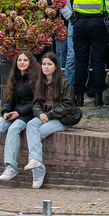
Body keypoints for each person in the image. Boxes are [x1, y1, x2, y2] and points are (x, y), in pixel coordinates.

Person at [0, 51, 40, 180]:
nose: (22, 63)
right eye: (19, 60)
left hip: (28, 114)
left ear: (31, 62)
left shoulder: (37, 79)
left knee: (13, 129)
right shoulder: (13, 77)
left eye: (25, 60)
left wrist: (19, 113)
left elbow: (37, 103)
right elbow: (7, 98)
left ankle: (11, 167)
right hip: (13, 112)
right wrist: (5, 112)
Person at [25, 53, 75, 189]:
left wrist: (51, 114)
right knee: (30, 125)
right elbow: (35, 104)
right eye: (44, 64)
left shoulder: (64, 82)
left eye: (49, 64)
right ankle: (36, 162)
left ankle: (37, 173)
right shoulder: (39, 83)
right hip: (43, 116)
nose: (46, 67)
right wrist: (40, 113)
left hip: (59, 119)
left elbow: (68, 105)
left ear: (55, 66)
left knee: (36, 134)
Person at [69, 0, 107, 106]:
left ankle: (79, 96)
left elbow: (72, 2)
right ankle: (98, 97)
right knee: (97, 62)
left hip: (79, 24)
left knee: (81, 62)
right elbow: (106, 2)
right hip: (96, 23)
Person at [56, 0, 89, 88]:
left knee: (88, 57)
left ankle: (83, 88)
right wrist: (69, 16)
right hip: (74, 20)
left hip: (90, 19)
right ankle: (68, 90)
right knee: (71, 57)